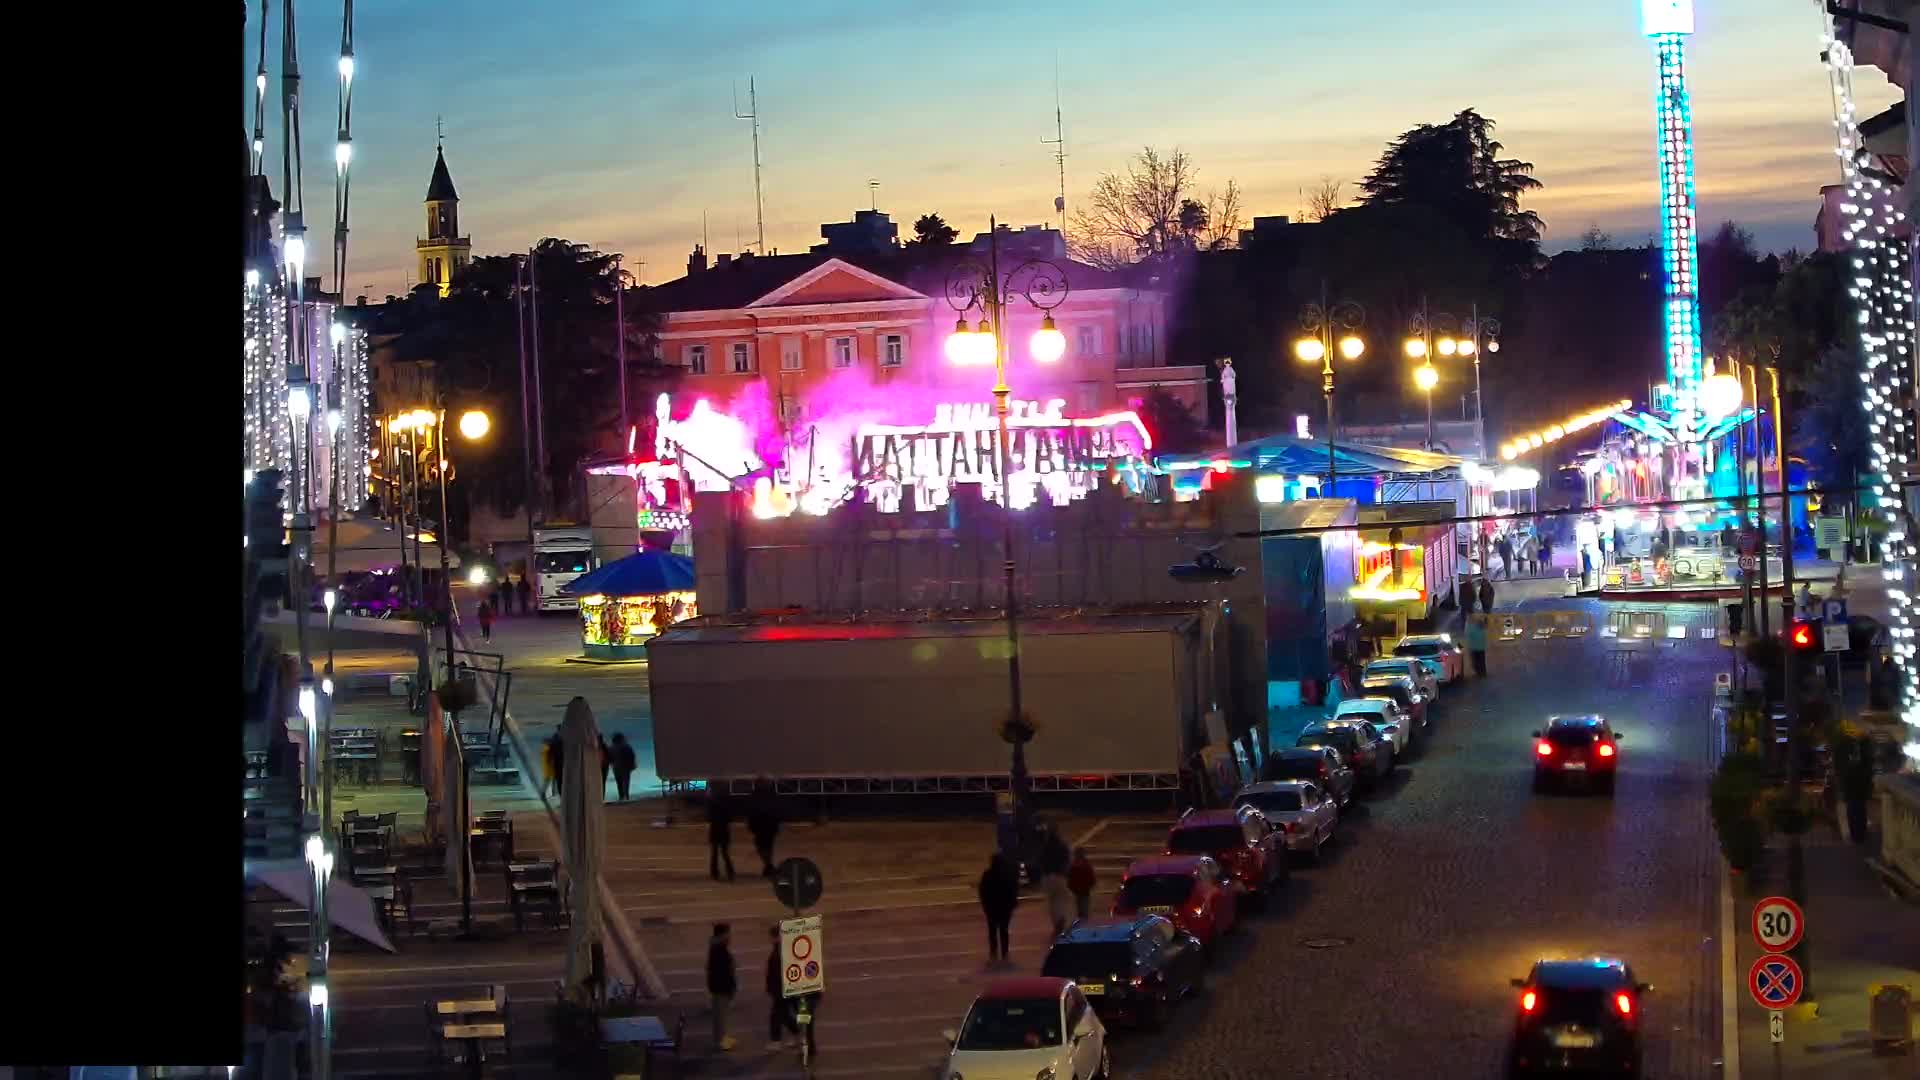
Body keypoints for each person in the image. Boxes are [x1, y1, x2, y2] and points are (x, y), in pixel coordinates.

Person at [977, 852, 1019, 967]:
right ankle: (1005, 956)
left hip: (992, 909)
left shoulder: (987, 874)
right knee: (1004, 932)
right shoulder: (1007, 874)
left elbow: (982, 892)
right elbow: (1013, 891)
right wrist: (1012, 905)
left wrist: (985, 906)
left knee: (993, 933)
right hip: (1004, 909)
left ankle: (993, 956)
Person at [765, 925, 801, 1051]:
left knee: (776, 1015)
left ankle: (776, 1041)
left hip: (781, 989)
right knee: (785, 1015)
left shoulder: (778, 952)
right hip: (787, 988)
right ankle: (798, 1036)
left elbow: (776, 973)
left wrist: (772, 988)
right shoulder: (784, 948)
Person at [706, 923, 738, 1052]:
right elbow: (722, 971)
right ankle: (720, 1041)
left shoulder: (717, 947)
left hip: (720, 986)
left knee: (722, 1014)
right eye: (728, 933)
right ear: (723, 934)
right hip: (720, 987)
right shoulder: (719, 949)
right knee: (720, 1015)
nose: (730, 935)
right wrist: (730, 986)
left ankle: (723, 1037)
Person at [747, 780, 780, 877]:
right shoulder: (771, 795)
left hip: (762, 825)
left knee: (762, 846)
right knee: (766, 847)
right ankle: (768, 866)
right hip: (767, 825)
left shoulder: (755, 795)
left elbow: (751, 810)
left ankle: (768, 866)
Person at [707, 788, 737, 882]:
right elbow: (729, 818)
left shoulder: (712, 805)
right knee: (724, 852)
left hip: (716, 829)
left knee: (715, 852)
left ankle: (715, 872)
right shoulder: (725, 805)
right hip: (723, 829)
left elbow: (709, 817)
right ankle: (729, 871)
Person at [1067, 847, 1097, 920]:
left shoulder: (1073, 865)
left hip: (1077, 891)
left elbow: (1068, 878)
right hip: (1083, 891)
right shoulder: (1086, 865)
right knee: (1083, 912)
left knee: (1078, 912)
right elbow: (1092, 879)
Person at [610, 732, 638, 802]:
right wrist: (633, 765)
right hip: (625, 767)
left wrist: (612, 764)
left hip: (616, 767)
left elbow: (609, 758)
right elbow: (632, 756)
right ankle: (626, 796)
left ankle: (621, 796)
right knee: (626, 781)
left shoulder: (612, 747)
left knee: (619, 782)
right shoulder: (627, 746)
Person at [1465, 611, 1489, 676]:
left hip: (1474, 647)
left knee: (1475, 661)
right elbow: (1484, 634)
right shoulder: (1480, 625)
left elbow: (1468, 635)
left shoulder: (1470, 626)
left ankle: (1478, 672)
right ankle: (1482, 672)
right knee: (1481, 660)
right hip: (1481, 646)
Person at [544, 731, 565, 798]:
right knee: (561, 783)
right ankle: (561, 796)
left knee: (559, 783)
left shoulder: (553, 746)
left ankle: (560, 796)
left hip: (557, 767)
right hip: (561, 766)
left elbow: (549, 757)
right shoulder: (561, 744)